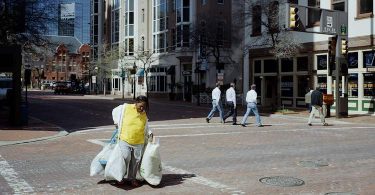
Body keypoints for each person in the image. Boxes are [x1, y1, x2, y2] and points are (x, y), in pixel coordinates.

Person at [111, 95, 153, 187]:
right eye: (140, 106)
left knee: (136, 161)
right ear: (136, 103)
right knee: (125, 157)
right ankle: (120, 177)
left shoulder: (144, 114)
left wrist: (149, 133)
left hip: (138, 141)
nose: (142, 108)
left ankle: (132, 178)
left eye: (144, 106)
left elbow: (146, 126)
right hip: (124, 138)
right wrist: (116, 123)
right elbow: (114, 111)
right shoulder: (125, 107)